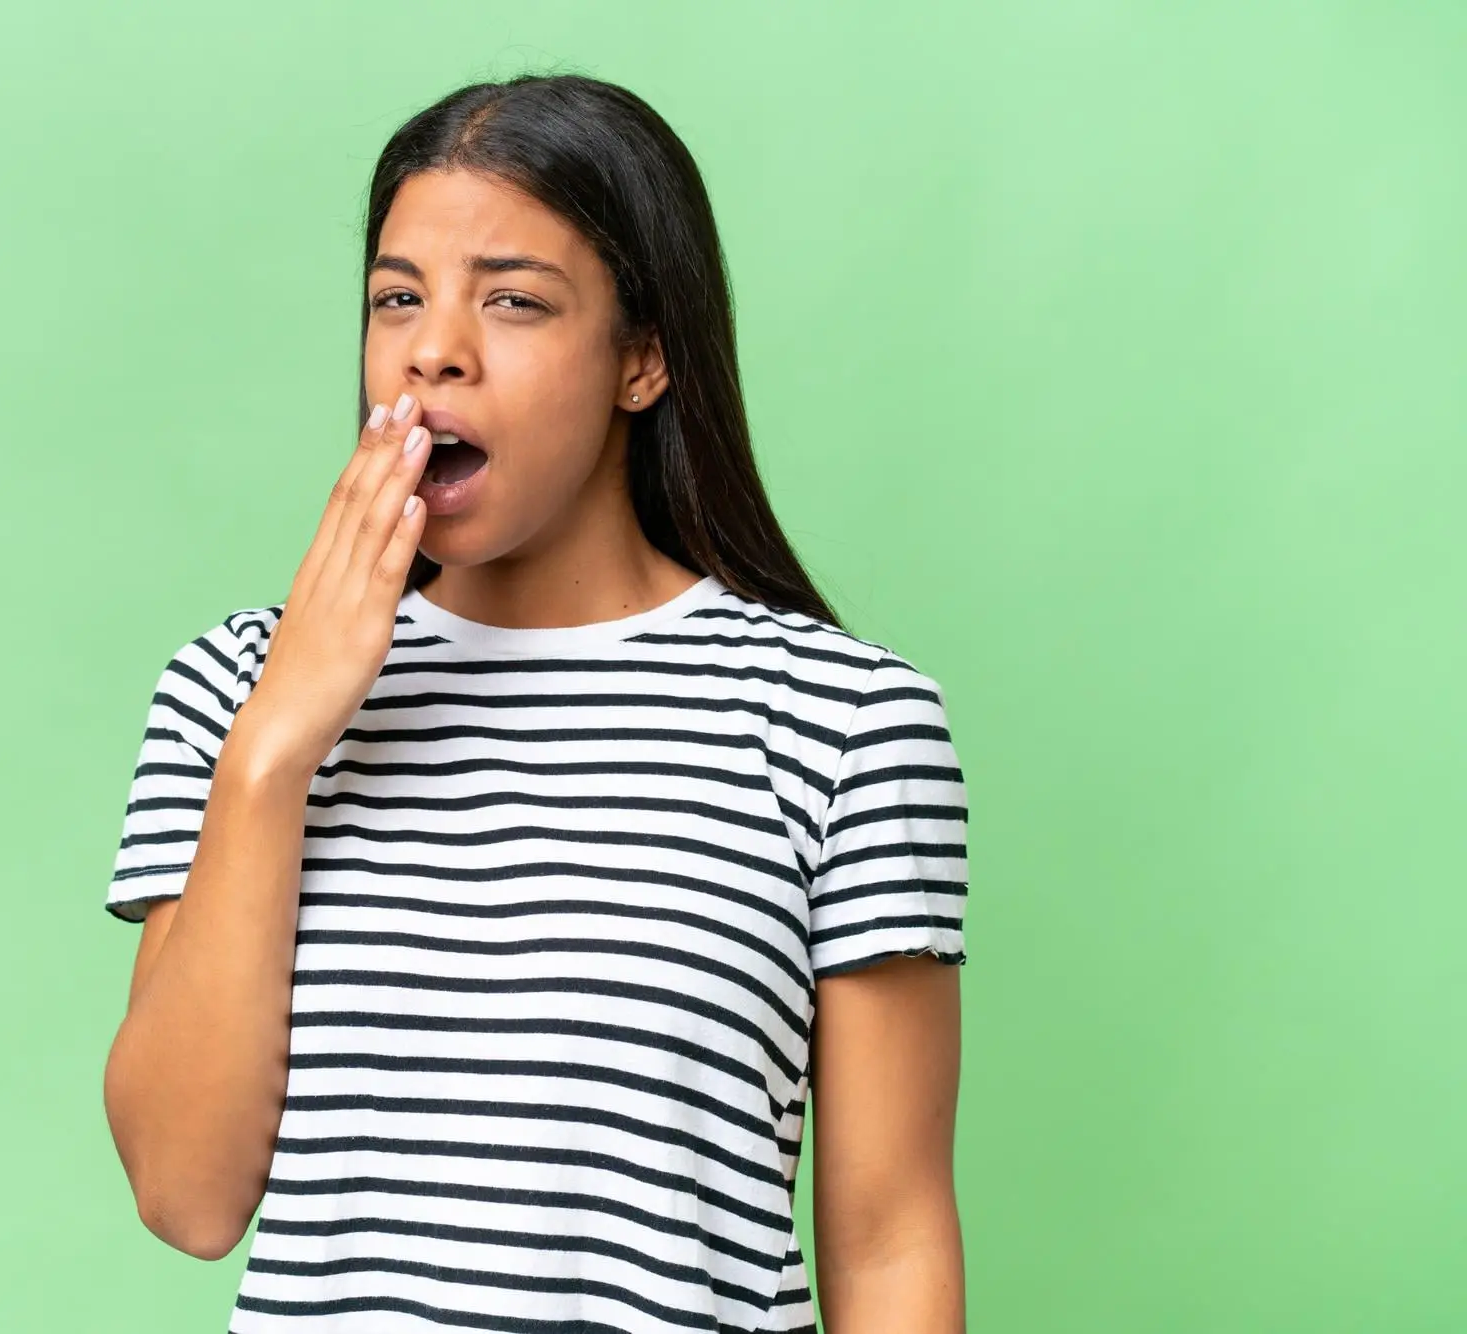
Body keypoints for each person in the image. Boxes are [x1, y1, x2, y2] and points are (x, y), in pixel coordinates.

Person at [101, 72, 969, 1334]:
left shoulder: (839, 721)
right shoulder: (233, 692)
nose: (430, 347)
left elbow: (889, 1240)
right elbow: (185, 1195)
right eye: (396, 297)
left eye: (511, 300)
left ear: (642, 357)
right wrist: (275, 748)